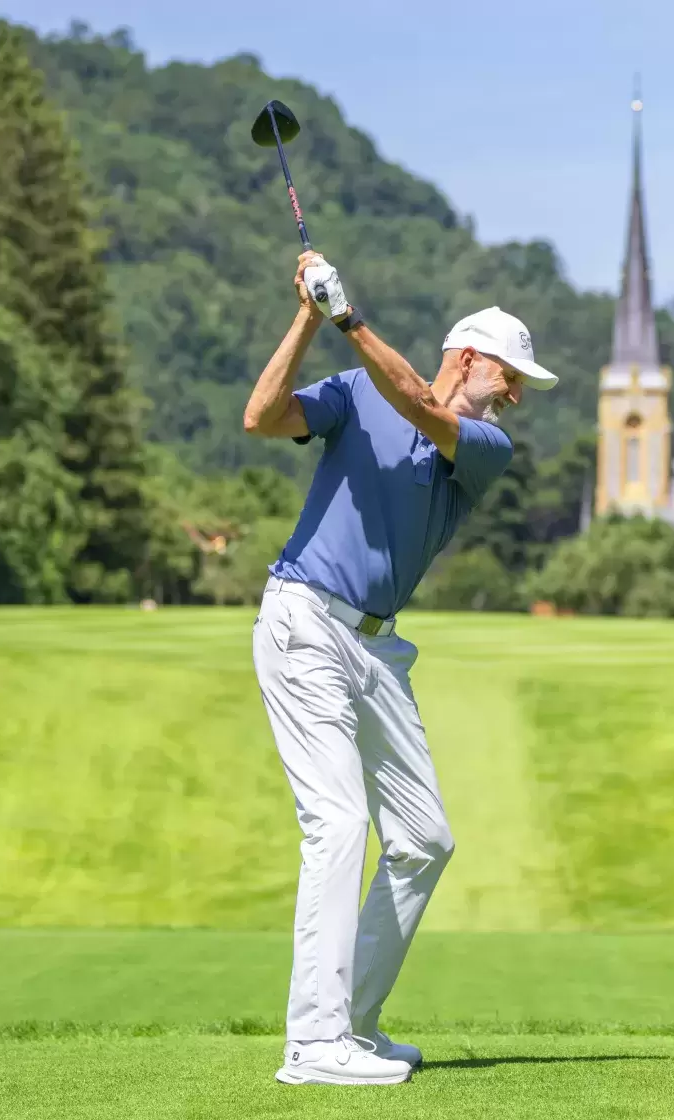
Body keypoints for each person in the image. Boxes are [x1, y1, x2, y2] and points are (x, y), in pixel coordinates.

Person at [244, 251, 557, 1085]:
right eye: (509, 373)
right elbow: (262, 417)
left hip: (378, 649)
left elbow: (419, 406)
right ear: (467, 357)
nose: (516, 392)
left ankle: (351, 1024)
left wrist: (349, 319)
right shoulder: (352, 394)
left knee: (423, 839)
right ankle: (312, 1046)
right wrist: (309, 317)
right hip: (305, 620)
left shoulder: (485, 445)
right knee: (341, 825)